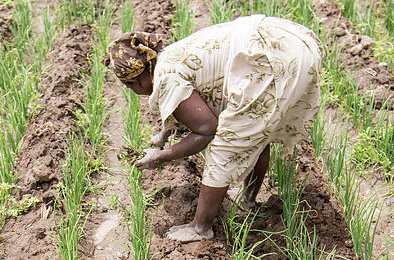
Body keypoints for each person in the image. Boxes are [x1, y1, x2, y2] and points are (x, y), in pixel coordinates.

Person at [104, 16, 322, 241]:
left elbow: (206, 130)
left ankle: (201, 227)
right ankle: (247, 200)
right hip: (290, 41)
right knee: (256, 130)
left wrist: (161, 156)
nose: (131, 91)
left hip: (270, 58)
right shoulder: (168, 57)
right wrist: (163, 136)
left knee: (225, 145)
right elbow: (185, 105)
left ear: (137, 80)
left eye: (128, 86)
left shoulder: (165, 79)